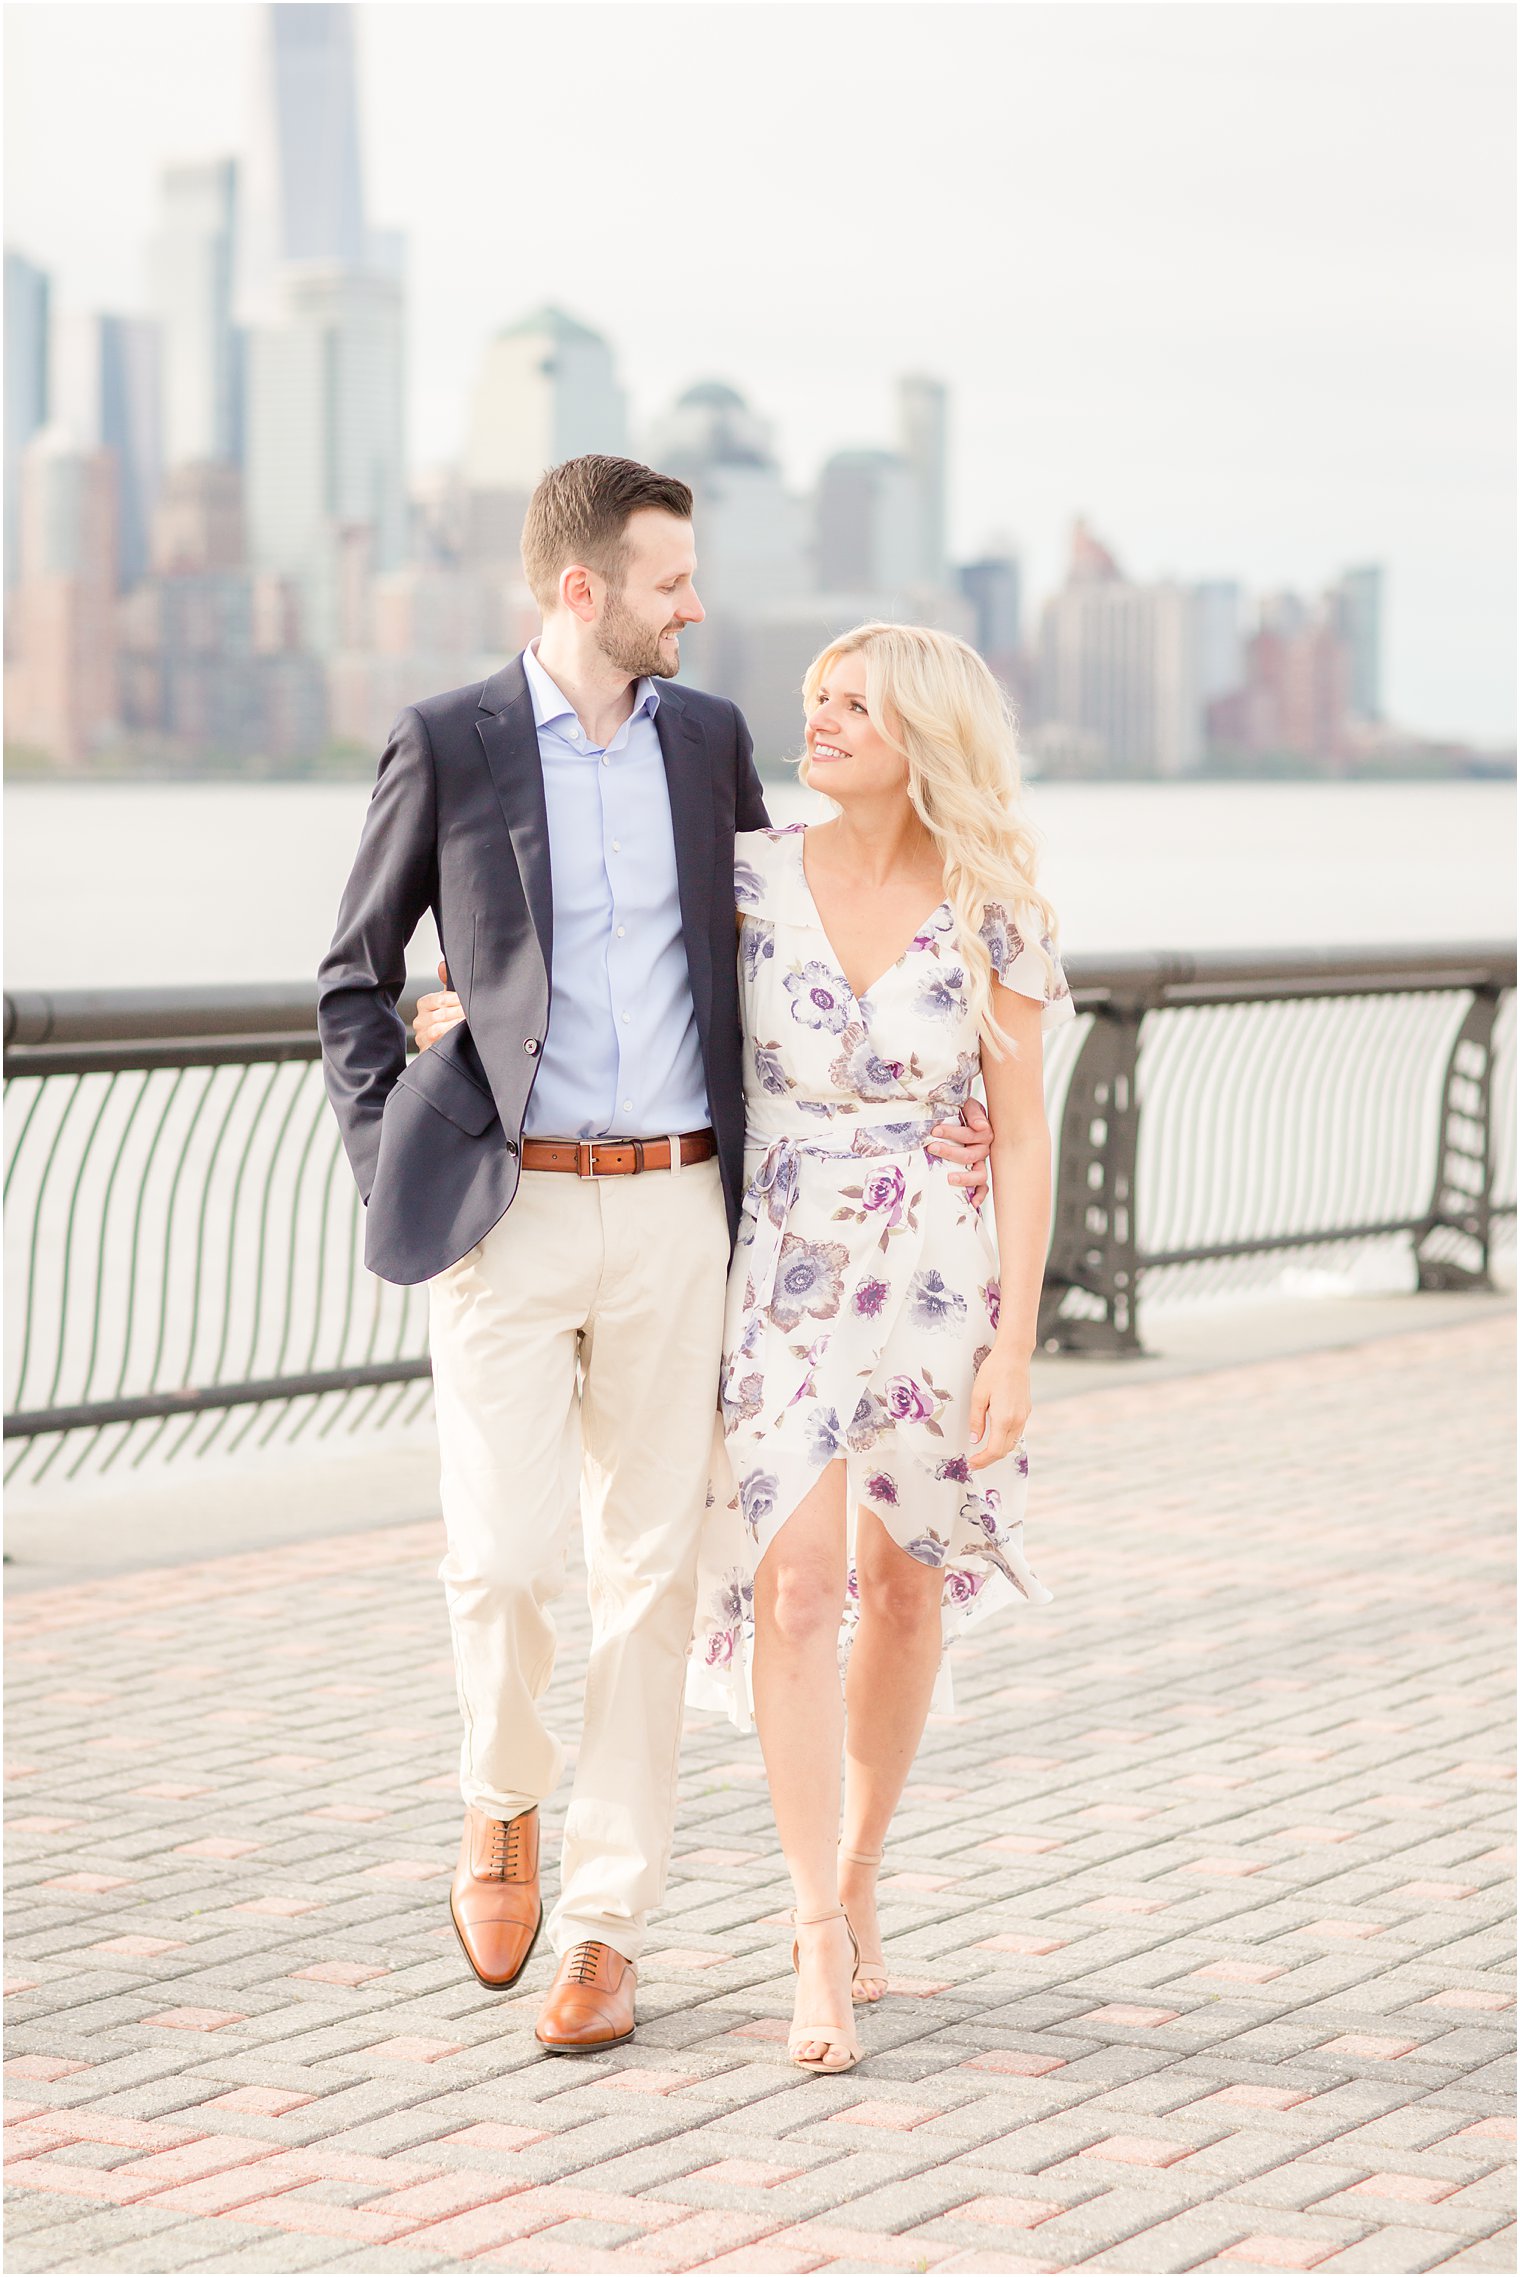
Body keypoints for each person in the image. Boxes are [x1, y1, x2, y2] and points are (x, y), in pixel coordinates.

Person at [319, 455, 992, 2054]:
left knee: (647, 1575)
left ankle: (609, 1924)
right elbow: (354, 976)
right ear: (582, 590)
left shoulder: (709, 746)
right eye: (670, 579)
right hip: (508, 1207)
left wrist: (942, 1103)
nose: (696, 606)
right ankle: (502, 1800)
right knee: (499, 1554)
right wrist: (395, 1145)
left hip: (686, 1211)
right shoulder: (449, 740)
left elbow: (792, 938)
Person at [415, 616, 1073, 2073]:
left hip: (933, 1287)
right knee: (793, 1596)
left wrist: (1017, 1343)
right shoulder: (746, 879)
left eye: (852, 705)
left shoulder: (998, 909)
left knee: (900, 1602)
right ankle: (806, 1928)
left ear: (925, 736)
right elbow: (595, 954)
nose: (816, 720)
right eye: (816, 698)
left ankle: (858, 1868)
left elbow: (1021, 1139)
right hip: (773, 1271)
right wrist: (455, 1009)